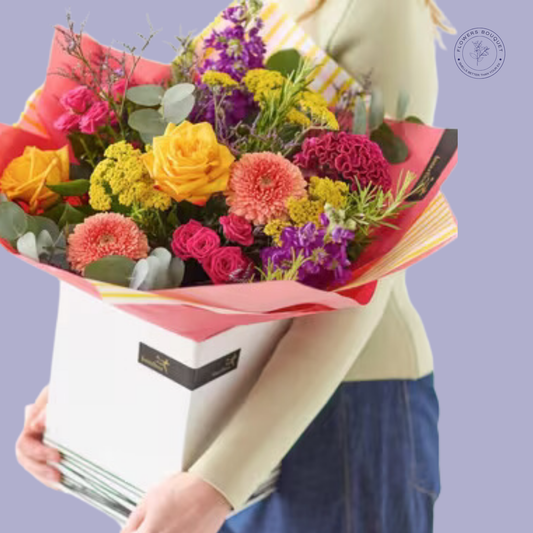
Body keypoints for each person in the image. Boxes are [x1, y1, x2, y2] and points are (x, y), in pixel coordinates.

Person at [15, 1, 456, 532]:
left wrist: (218, 484)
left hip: (338, 414)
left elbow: (366, 275)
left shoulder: (380, 9)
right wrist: (83, 390)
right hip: (221, 414)